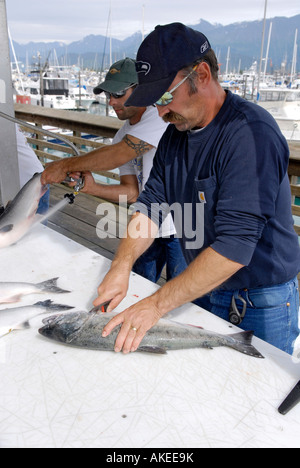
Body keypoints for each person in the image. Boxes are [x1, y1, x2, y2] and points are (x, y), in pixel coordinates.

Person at [93, 23, 300, 356]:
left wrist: (154, 305)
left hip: (258, 301)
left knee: (257, 400)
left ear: (202, 75)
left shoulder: (250, 134)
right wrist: (121, 267)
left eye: (163, 97)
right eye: (152, 101)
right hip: (198, 288)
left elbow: (235, 245)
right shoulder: (175, 134)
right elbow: (151, 205)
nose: (160, 113)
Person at [41, 58, 187, 283]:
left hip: (184, 222)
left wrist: (64, 165)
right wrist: (92, 187)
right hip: (148, 221)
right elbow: (132, 192)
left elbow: (120, 153)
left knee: (187, 298)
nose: (111, 101)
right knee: (137, 286)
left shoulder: (158, 116)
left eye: (118, 93)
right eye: (108, 95)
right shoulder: (122, 135)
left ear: (141, 89)